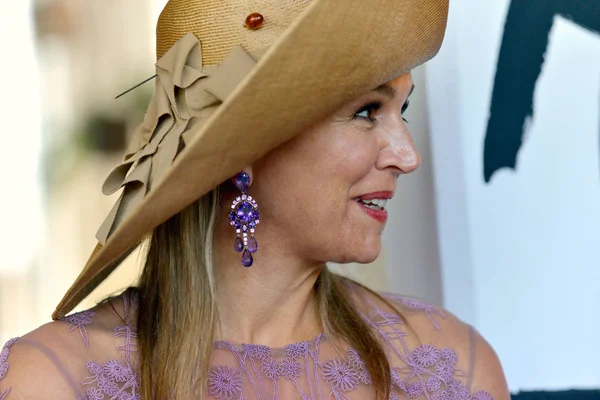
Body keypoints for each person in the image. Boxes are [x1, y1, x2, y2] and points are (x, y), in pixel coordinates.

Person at [0, 0, 510, 399]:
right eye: (365, 111)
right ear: (243, 151)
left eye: (402, 109)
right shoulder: (55, 381)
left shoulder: (449, 367)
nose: (407, 155)